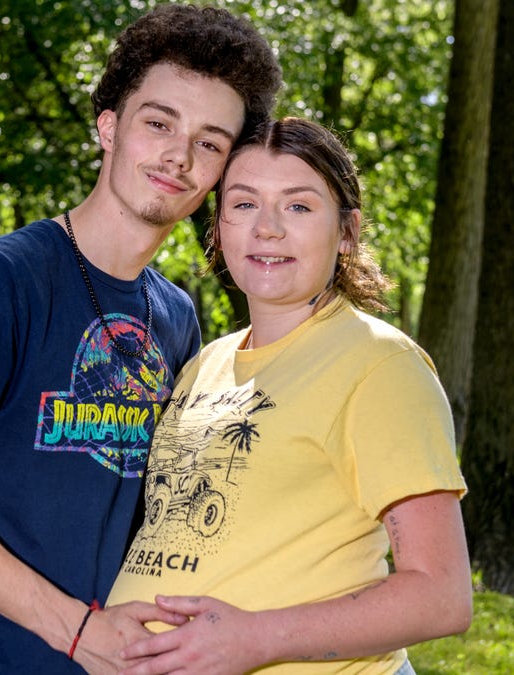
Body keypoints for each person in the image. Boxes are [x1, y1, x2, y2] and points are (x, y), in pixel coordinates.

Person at [0, 4, 282, 673]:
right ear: (109, 127)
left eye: (210, 143)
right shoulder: (0, 279)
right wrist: (74, 630)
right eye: (158, 123)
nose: (179, 156)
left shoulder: (177, 315)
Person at [105, 117, 473, 674]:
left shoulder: (379, 364)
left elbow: (440, 595)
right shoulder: (206, 363)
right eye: (244, 204)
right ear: (219, 225)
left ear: (346, 230)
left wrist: (258, 638)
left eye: (298, 206)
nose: (267, 229)